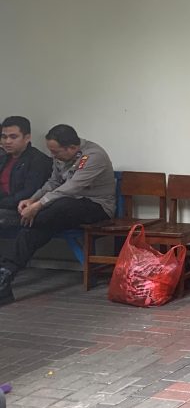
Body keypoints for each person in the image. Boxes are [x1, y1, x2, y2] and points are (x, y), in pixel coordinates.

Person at [0, 125, 114, 306]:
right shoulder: (60, 156)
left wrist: (38, 206)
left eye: (56, 152)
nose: (53, 156)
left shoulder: (93, 156)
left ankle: (7, 267)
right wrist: (32, 199)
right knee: (40, 224)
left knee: (53, 210)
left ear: (72, 148)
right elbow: (53, 182)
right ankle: (6, 274)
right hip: (62, 209)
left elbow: (72, 187)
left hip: (95, 206)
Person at [0, 117, 52, 229]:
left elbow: (29, 193)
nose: (7, 141)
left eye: (13, 137)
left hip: (20, 210)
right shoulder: (3, 158)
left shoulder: (38, 160)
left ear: (27, 137)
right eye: (4, 137)